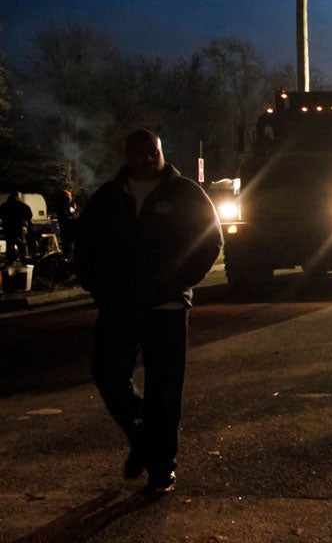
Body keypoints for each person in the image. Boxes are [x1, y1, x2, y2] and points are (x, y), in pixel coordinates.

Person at [75, 129, 223, 493]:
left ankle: (161, 467)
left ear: (161, 152)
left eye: (152, 152)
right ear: (127, 155)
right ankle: (140, 434)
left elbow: (209, 241)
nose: (146, 159)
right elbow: (85, 245)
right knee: (107, 373)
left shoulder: (185, 193)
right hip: (119, 305)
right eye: (139, 153)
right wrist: (97, 287)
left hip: (167, 307)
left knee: (165, 389)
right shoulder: (109, 197)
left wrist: (176, 283)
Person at [0, 191, 34, 264]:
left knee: (9, 244)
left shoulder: (4, 206)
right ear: (17, 196)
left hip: (8, 228)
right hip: (17, 228)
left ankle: (10, 259)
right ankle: (22, 258)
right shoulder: (21, 205)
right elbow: (29, 215)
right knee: (20, 243)